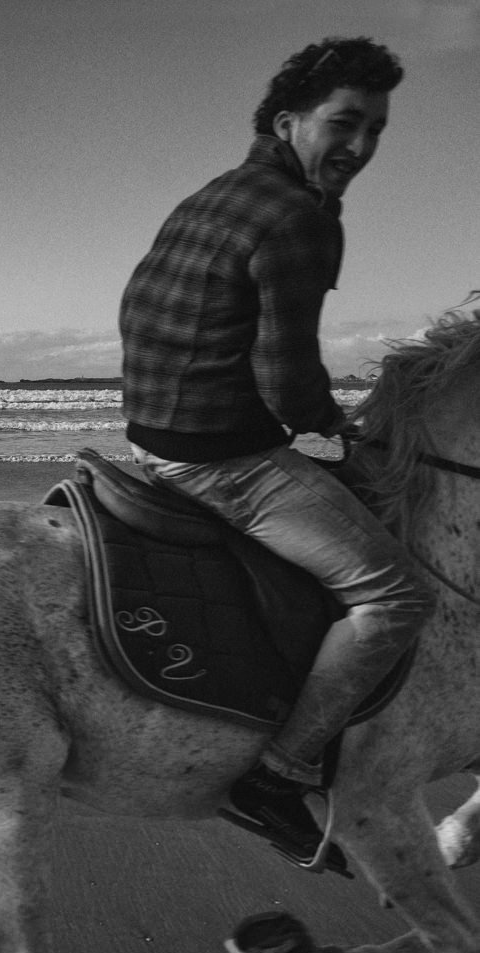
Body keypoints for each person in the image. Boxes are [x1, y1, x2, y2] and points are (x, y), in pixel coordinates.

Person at [118, 37, 432, 870]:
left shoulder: (219, 194)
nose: (360, 148)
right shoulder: (296, 217)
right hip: (223, 459)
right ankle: (279, 774)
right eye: (344, 123)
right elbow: (287, 377)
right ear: (289, 121)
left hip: (156, 438)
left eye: (375, 130)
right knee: (396, 594)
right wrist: (342, 425)